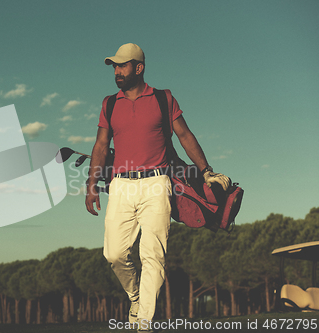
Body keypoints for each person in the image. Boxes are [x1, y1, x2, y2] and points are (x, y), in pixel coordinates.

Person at [85, 43, 229, 332]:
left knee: (153, 255)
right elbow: (101, 145)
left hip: (156, 184)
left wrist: (207, 171)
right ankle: (136, 298)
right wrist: (91, 183)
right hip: (120, 185)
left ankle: (144, 323)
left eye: (122, 65)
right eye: (114, 66)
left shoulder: (163, 98)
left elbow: (185, 135)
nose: (117, 71)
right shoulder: (109, 103)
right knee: (114, 253)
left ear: (139, 68)